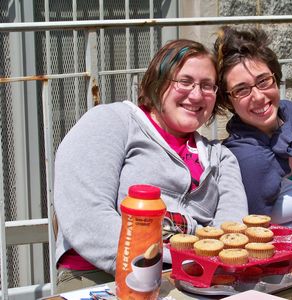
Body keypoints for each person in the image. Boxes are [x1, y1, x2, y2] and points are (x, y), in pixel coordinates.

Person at [53, 39, 248, 292]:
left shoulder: (220, 157)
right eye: (185, 81)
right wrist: (171, 262)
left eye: (207, 86)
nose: (197, 94)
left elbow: (230, 234)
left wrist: (190, 267)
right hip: (102, 277)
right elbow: (87, 217)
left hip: (195, 281)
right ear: (158, 82)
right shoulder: (113, 123)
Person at [213, 26, 292, 232]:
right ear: (228, 101)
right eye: (241, 89)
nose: (258, 97)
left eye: (263, 81)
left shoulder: (291, 115)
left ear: (275, 77)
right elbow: (251, 238)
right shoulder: (244, 159)